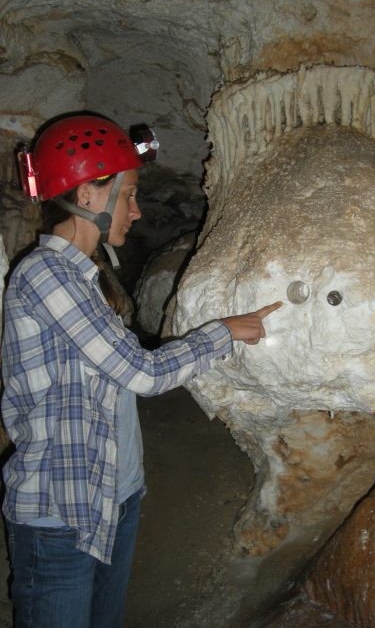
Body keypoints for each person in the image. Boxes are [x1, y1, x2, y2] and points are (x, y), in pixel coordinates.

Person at [1, 113, 281, 628]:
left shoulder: (89, 277)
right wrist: (226, 330)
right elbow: (141, 373)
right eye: (128, 194)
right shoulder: (46, 276)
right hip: (60, 515)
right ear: (87, 195)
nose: (136, 208)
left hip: (115, 496)